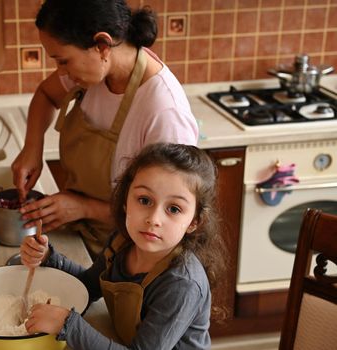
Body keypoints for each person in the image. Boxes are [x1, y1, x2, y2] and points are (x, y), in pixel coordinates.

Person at [11, 0, 199, 255]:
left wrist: (84, 207)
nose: (60, 71)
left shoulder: (164, 113)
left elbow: (166, 219)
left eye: (64, 61)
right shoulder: (97, 71)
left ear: (102, 44)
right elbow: (46, 94)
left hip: (132, 258)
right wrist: (32, 148)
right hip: (85, 239)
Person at [20, 143, 227, 349]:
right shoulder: (121, 243)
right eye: (144, 200)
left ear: (194, 221)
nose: (154, 219)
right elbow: (89, 286)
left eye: (173, 209)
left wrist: (69, 326)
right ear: (126, 200)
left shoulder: (181, 285)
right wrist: (48, 257)